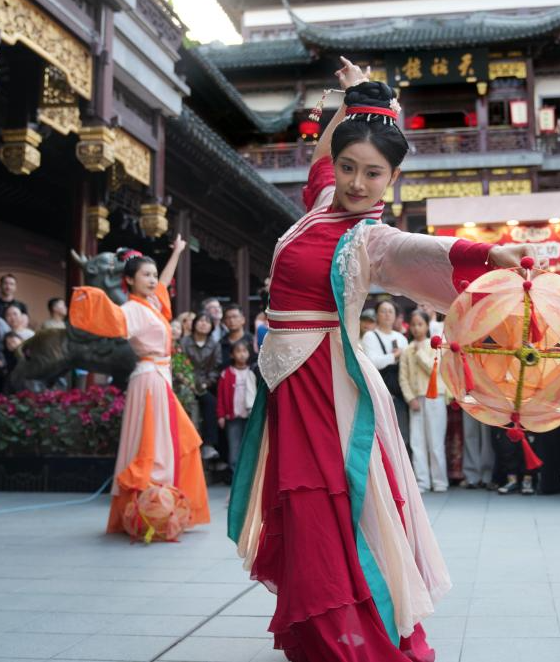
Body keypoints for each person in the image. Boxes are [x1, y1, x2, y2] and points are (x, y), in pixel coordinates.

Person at [227, 61, 529, 662]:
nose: (357, 183)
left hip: (327, 385)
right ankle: (322, 630)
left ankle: (354, 636)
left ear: (392, 180)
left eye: (373, 174)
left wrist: (493, 251)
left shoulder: (369, 238)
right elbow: (323, 147)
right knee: (307, 504)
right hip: (291, 382)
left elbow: (432, 250)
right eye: (348, 168)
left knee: (331, 503)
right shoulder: (319, 202)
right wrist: (352, 97)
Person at [68, 237, 210, 535]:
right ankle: (149, 509)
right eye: (145, 275)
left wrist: (177, 253)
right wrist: (91, 297)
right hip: (149, 379)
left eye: (153, 275)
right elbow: (114, 319)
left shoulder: (152, 304)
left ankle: (162, 505)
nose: (152, 280)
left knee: (174, 441)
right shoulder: (132, 310)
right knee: (154, 445)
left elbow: (164, 283)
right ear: (129, 280)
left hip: (158, 378)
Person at [399, 310, 448, 493]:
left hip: (435, 397)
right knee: (417, 442)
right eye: (413, 325)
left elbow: (434, 371)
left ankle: (440, 481)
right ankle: (422, 482)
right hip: (416, 400)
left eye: (420, 324)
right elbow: (403, 378)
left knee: (435, 441)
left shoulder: (434, 346)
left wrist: (420, 354)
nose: (416, 328)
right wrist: (410, 398)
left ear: (427, 326)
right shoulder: (407, 350)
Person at [362, 299, 410, 444]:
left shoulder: (401, 338)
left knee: (402, 433)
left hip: (400, 392)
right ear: (377, 314)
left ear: (396, 316)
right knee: (383, 435)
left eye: (390, 311)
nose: (387, 315)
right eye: (383, 311)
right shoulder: (370, 336)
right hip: (379, 390)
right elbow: (373, 362)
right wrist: (394, 355)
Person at [180, 313, 221, 461]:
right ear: (194, 324)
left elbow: (216, 368)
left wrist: (206, 382)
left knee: (211, 402)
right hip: (185, 383)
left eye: (207, 322)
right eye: (201, 321)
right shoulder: (184, 342)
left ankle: (209, 445)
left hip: (204, 385)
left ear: (211, 326)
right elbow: (180, 363)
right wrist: (188, 380)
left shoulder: (214, 344)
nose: (203, 324)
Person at [217, 339, 257, 474]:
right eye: (238, 351)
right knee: (234, 447)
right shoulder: (226, 374)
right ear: (232, 355)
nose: (241, 354)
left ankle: (250, 474)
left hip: (250, 415)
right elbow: (221, 396)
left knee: (251, 445)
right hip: (232, 416)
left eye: (244, 351)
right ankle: (235, 473)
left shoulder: (253, 371)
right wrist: (221, 415)